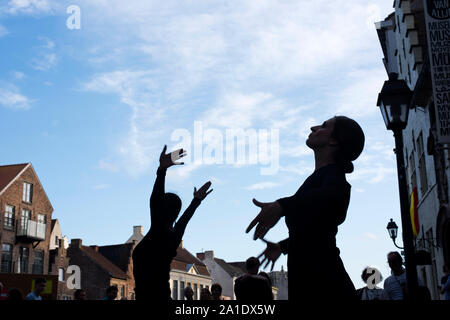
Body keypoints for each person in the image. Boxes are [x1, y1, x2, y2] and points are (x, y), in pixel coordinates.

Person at [246, 116, 365, 302]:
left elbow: (330, 201)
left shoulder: (335, 178)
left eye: (324, 126)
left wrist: (282, 205)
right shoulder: (318, 178)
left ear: (334, 140)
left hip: (323, 284)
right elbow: (316, 229)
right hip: (310, 280)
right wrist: (283, 245)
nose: (314, 127)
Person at [132, 145, 213, 302]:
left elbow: (155, 201)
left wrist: (161, 171)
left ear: (161, 208)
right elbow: (184, 219)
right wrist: (196, 201)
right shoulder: (174, 236)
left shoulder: (158, 231)